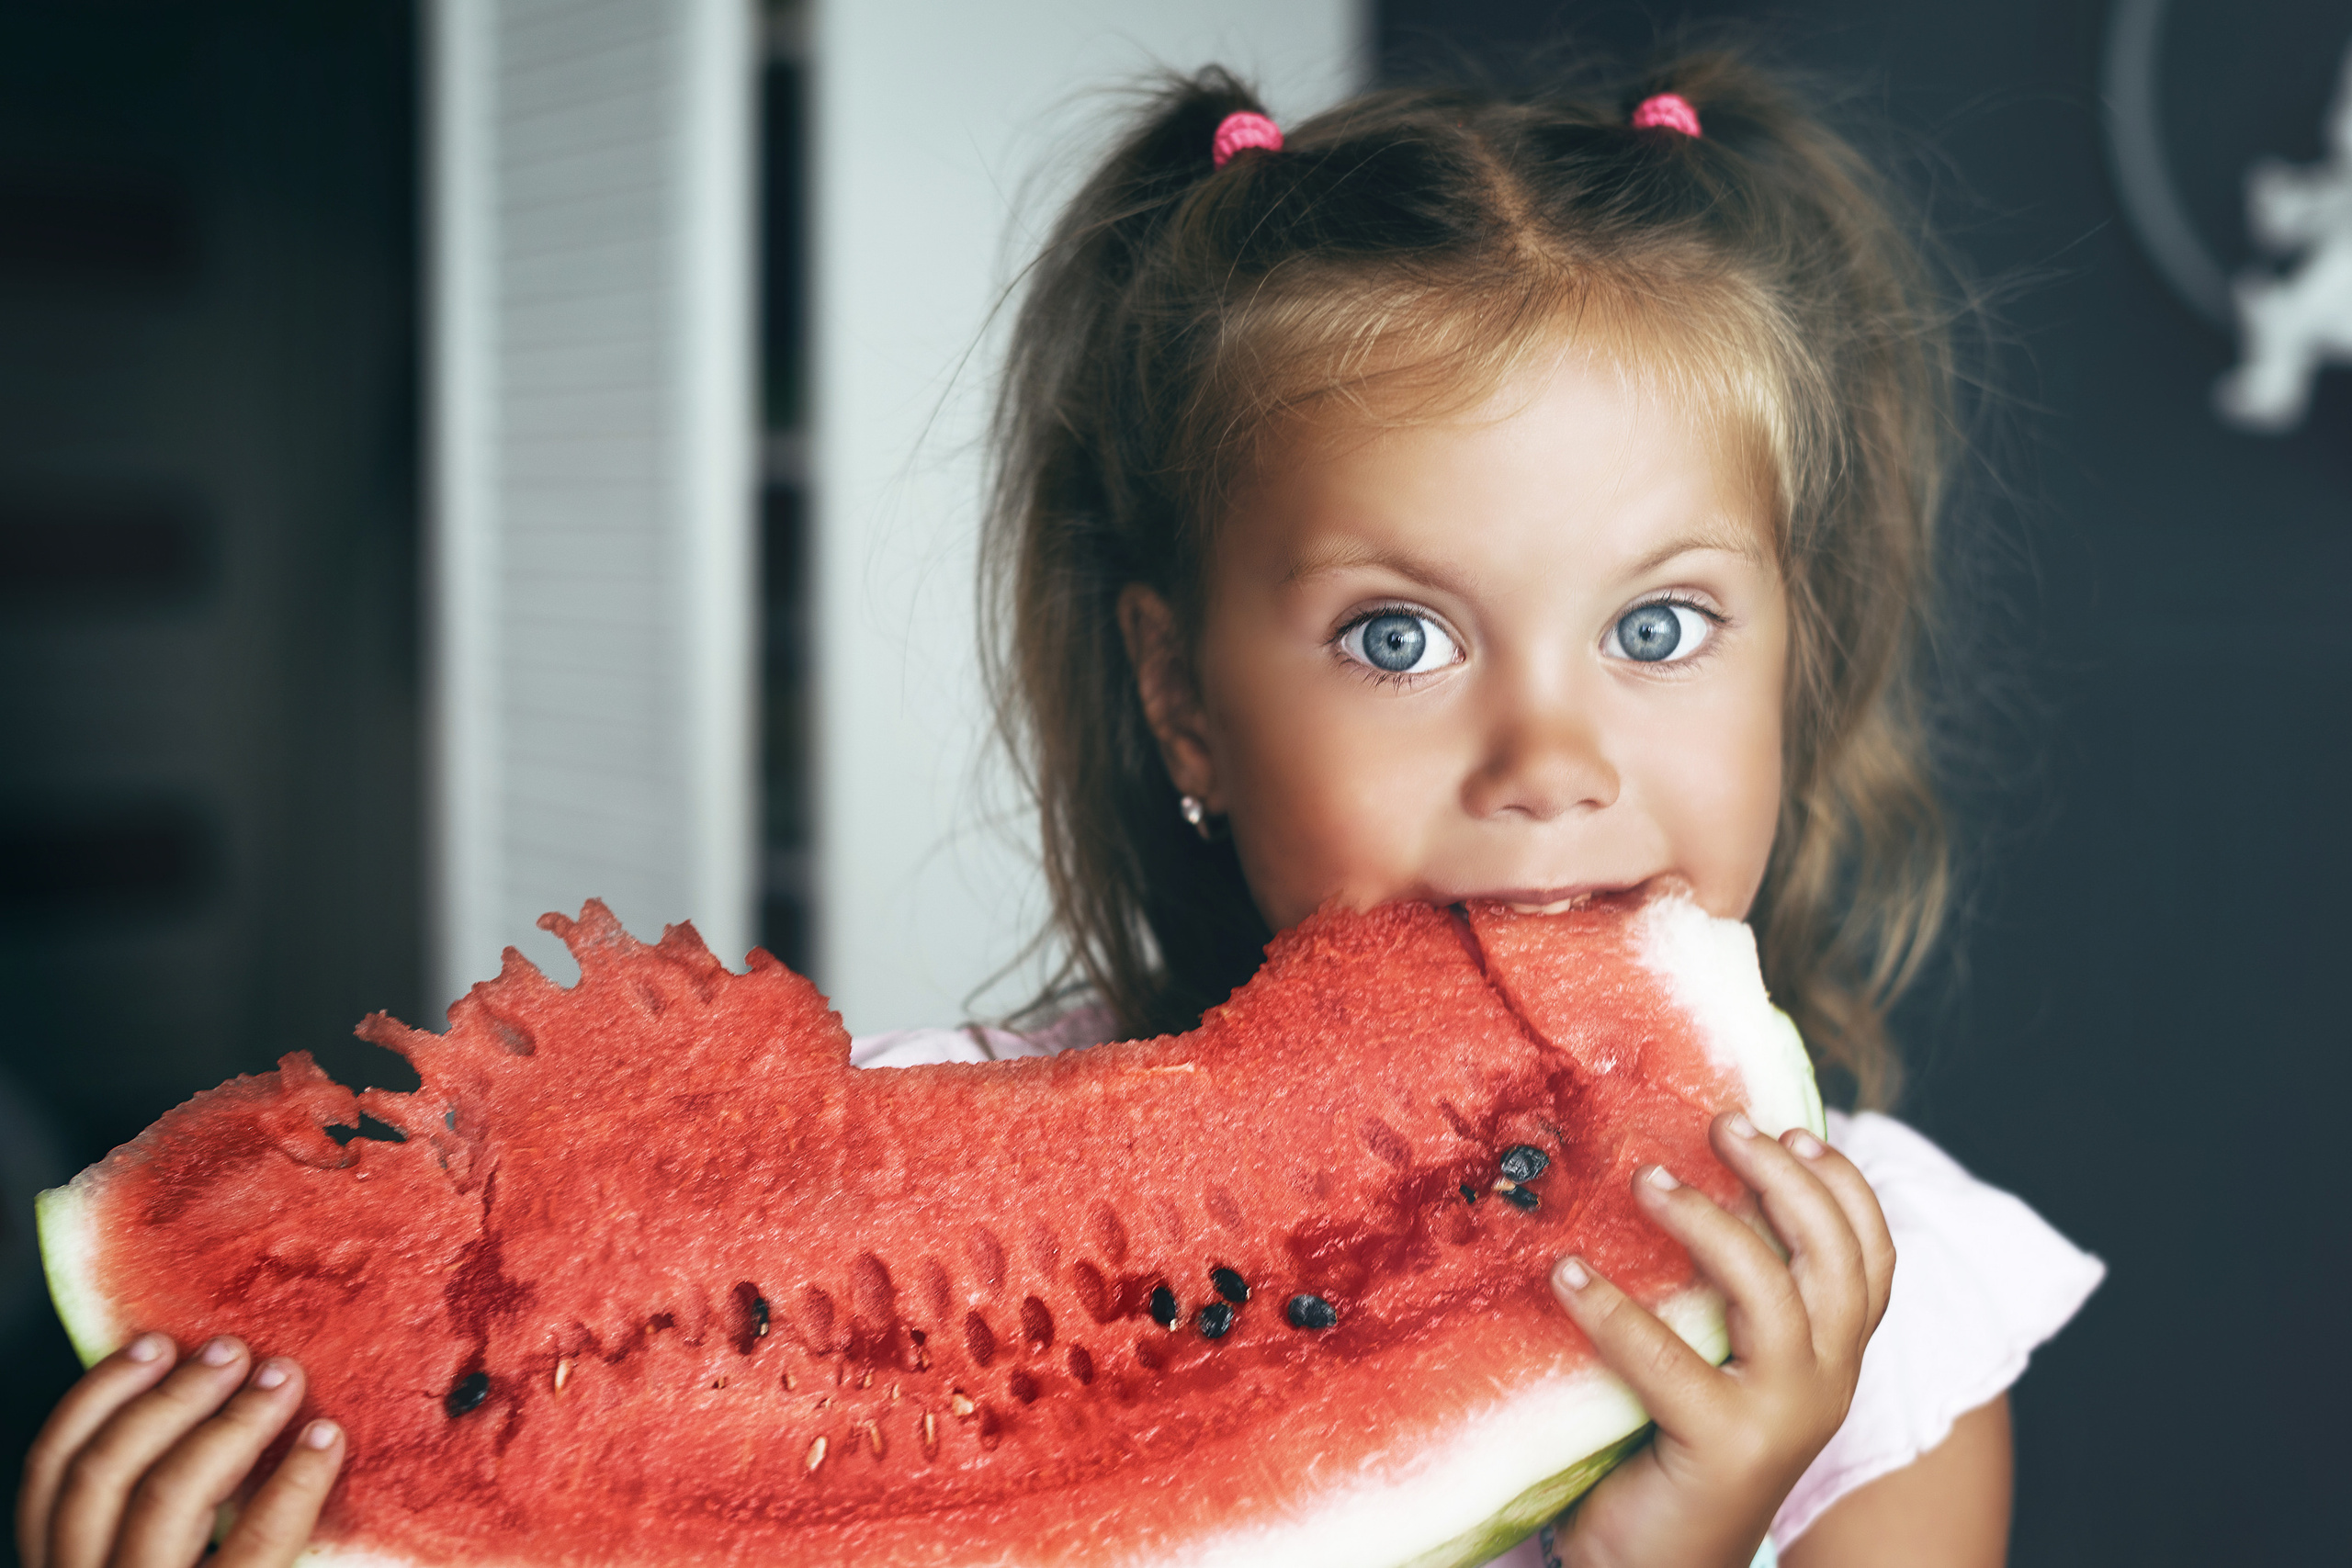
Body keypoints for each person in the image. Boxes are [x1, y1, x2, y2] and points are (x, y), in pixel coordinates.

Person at [17, 51, 2102, 1568]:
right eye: (1397, 637)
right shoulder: (878, 1223)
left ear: (1795, 652)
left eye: (1657, 625)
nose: (1546, 754)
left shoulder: (1892, 1334)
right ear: (1180, 698)